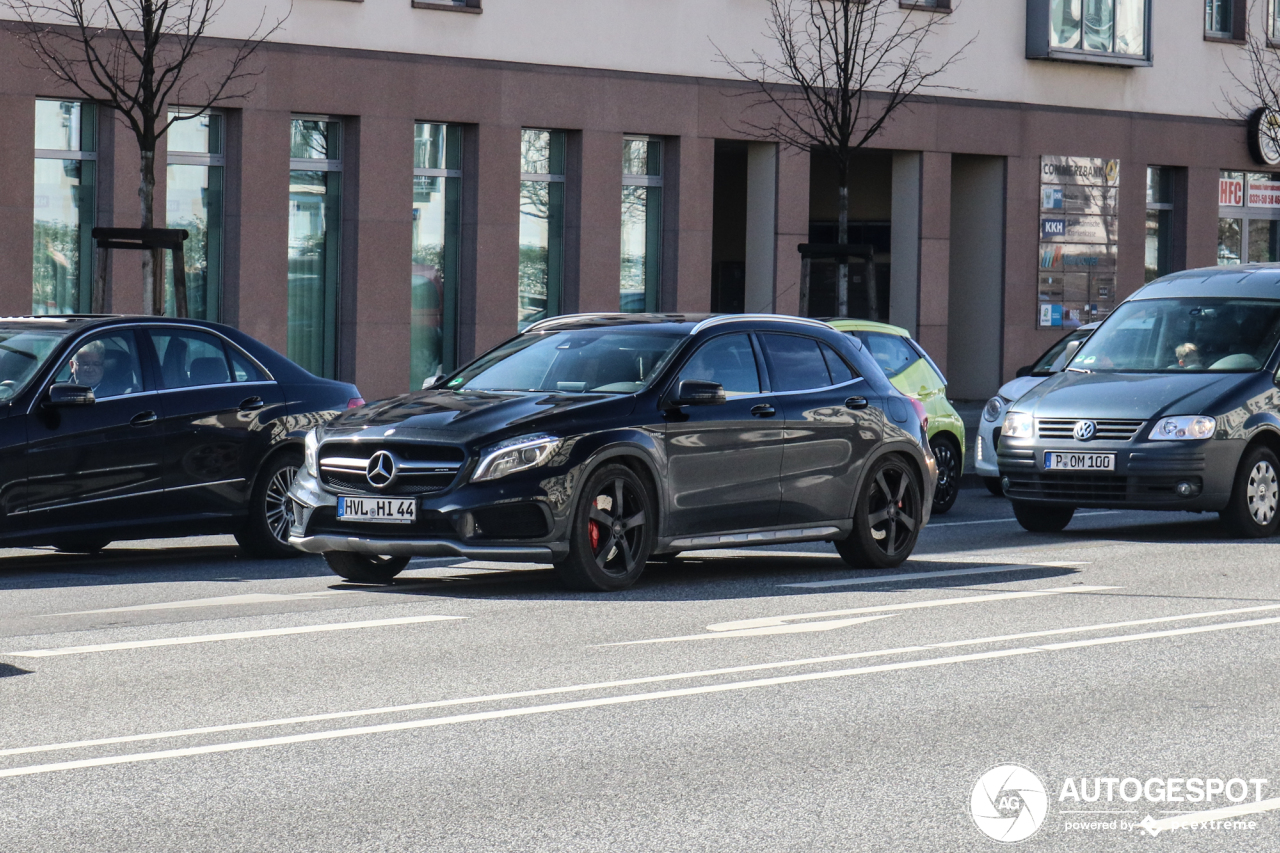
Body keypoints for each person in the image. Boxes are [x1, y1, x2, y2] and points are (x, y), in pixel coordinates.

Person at [69, 340, 136, 398]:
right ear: (72, 365)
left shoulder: (116, 395)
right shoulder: (61, 394)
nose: (90, 369)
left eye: (96, 364)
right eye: (85, 364)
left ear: (103, 366)